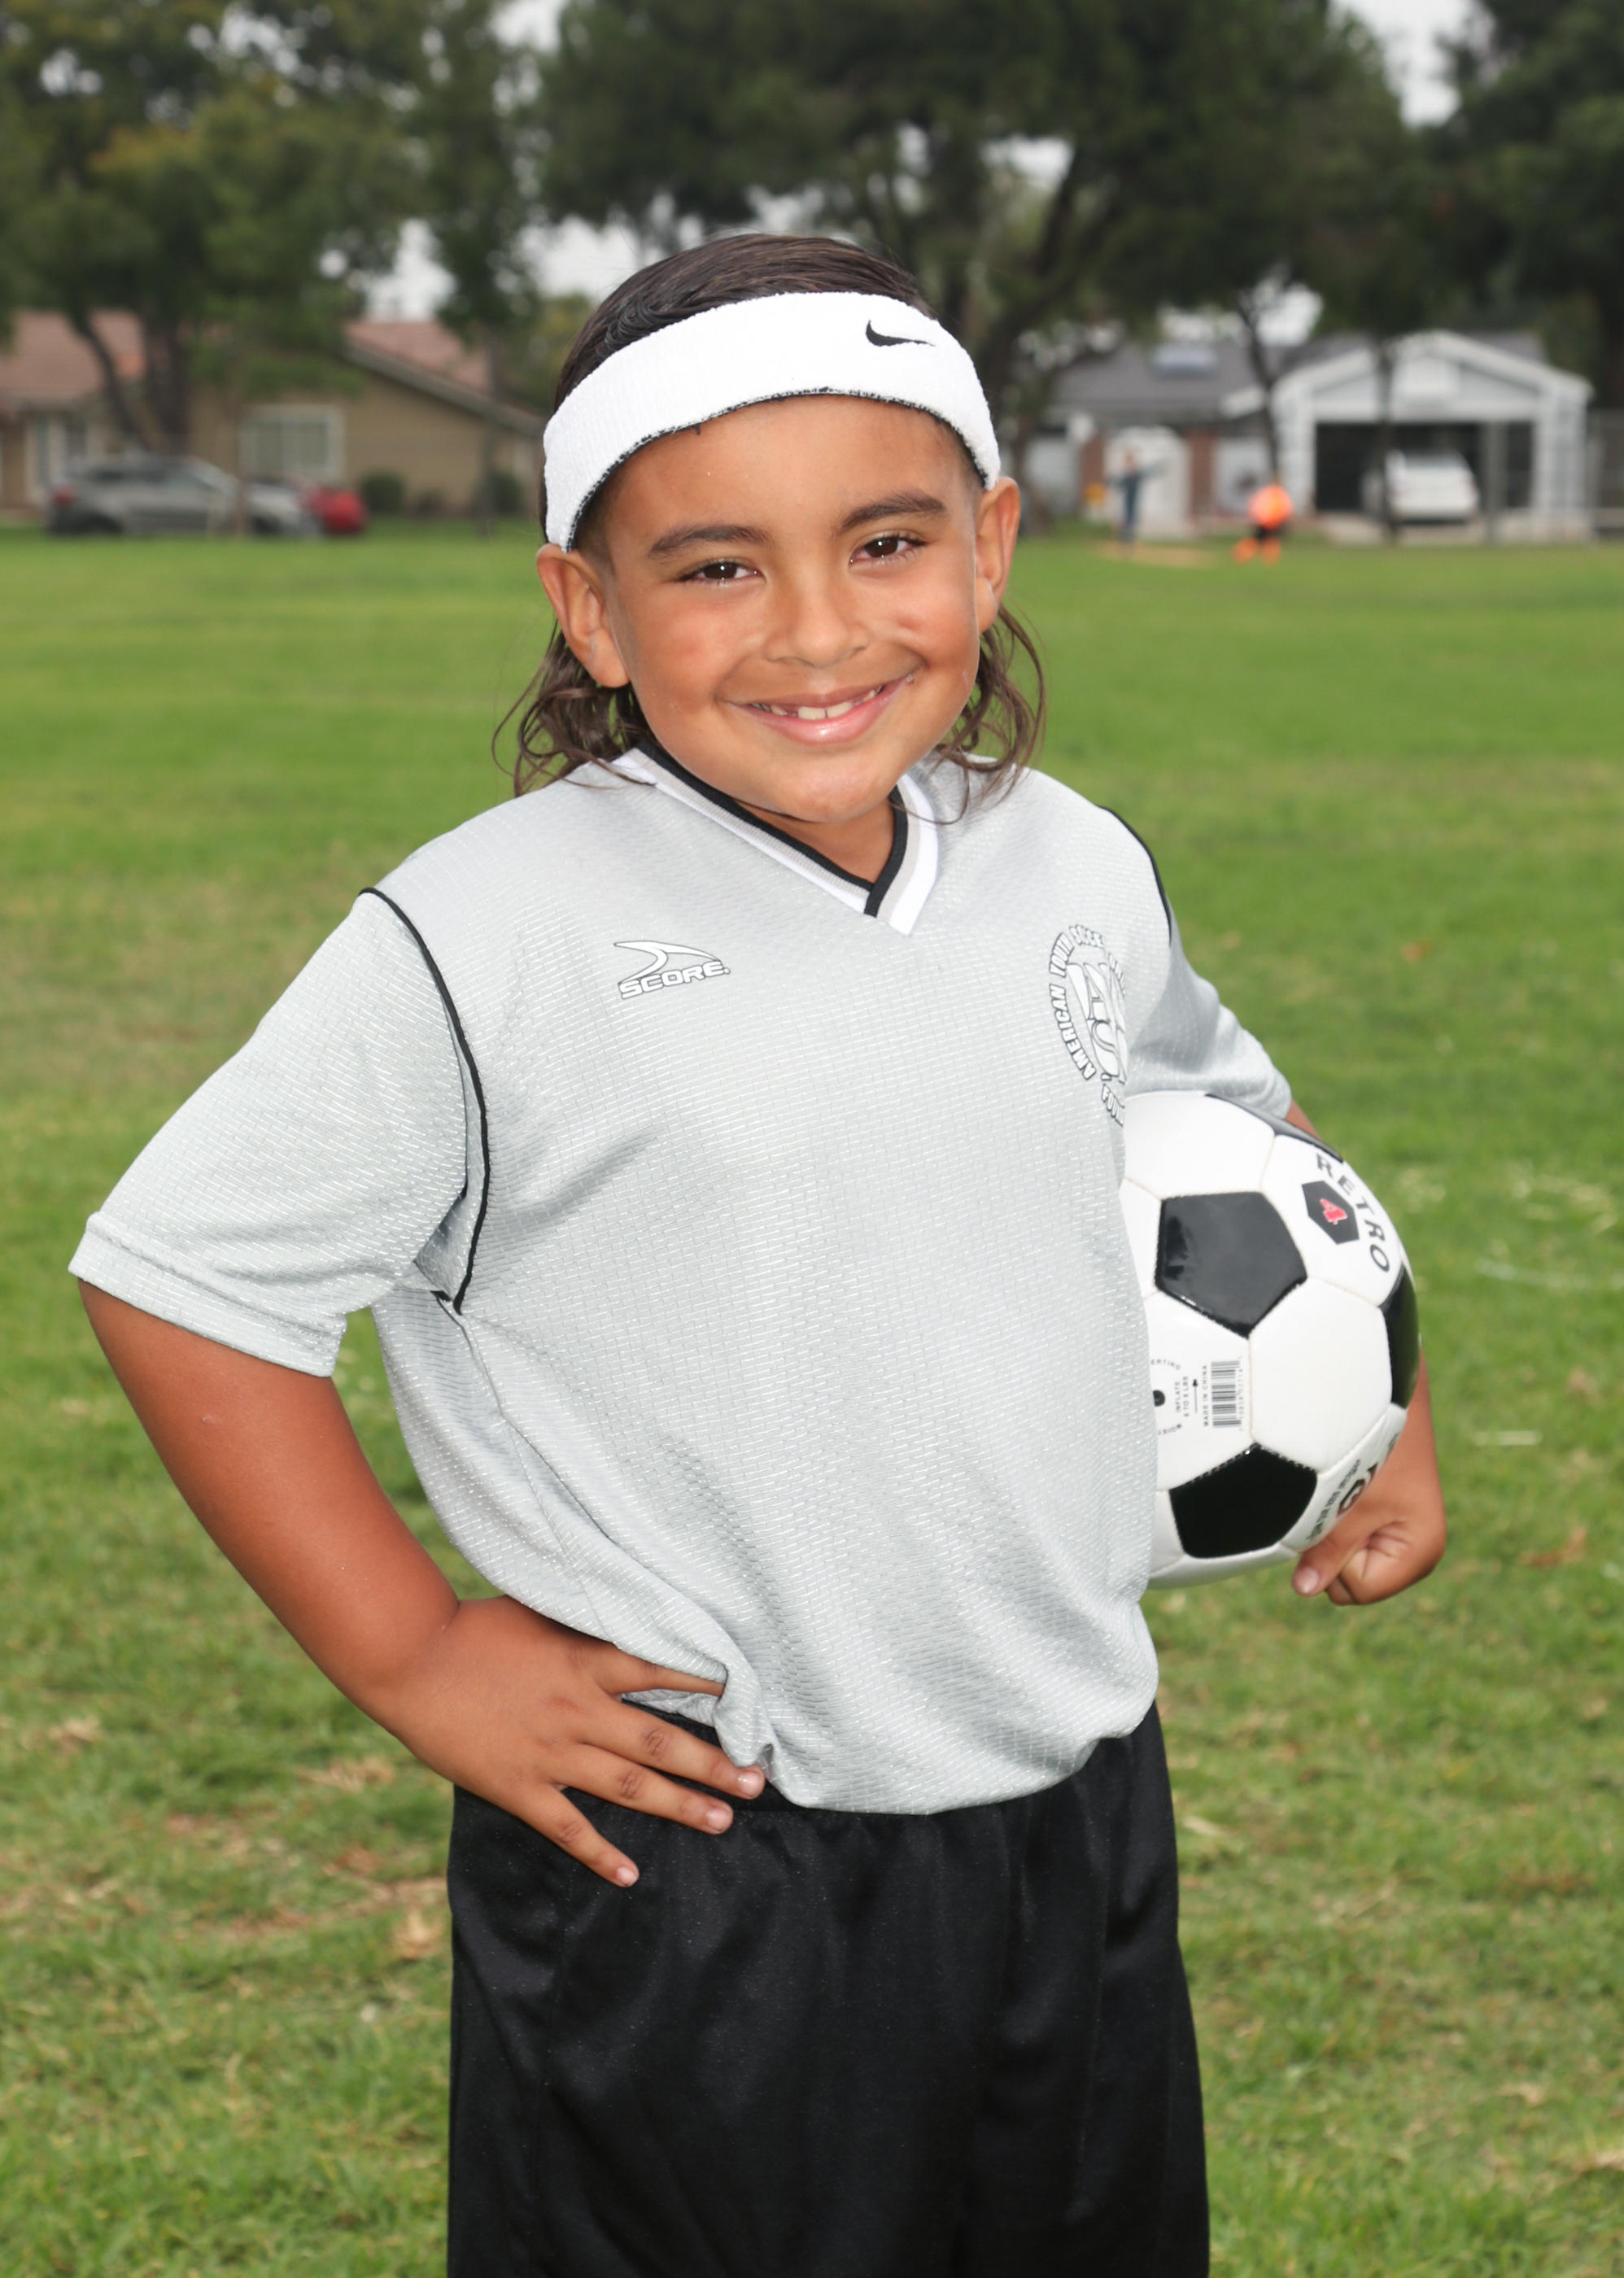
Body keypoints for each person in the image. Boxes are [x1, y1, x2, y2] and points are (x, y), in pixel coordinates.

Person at [72, 234, 1446, 2278]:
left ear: (988, 545)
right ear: (590, 608)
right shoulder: (486, 936)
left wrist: (1379, 1412)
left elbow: (1234, 1126)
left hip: (1074, 1794)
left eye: (885, 542)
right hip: (698, 1862)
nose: (816, 628)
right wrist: (419, 1654)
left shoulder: (1066, 860)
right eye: (716, 565)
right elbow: (184, 1277)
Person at [1233, 476, 1294, 563]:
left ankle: (1268, 559)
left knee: (1267, 540)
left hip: (1271, 522)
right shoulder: (1272, 494)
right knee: (1263, 540)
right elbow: (1285, 508)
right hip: (1268, 522)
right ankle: (1243, 554)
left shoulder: (1273, 493)